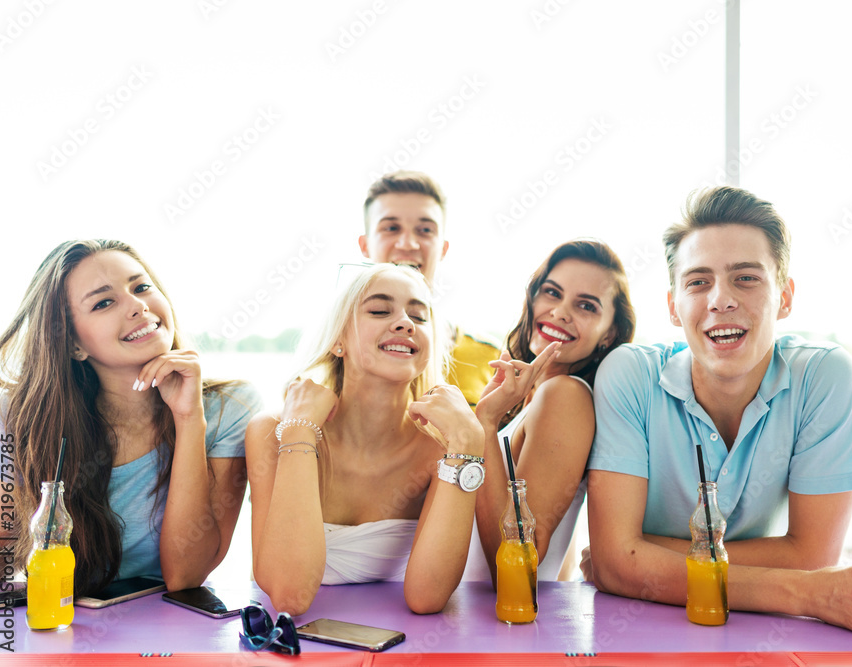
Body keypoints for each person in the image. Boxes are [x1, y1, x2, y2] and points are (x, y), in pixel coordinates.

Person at [585, 186, 852, 639]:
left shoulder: (824, 377)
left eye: (746, 277)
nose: (720, 299)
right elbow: (614, 564)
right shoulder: (629, 375)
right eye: (697, 281)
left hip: (760, 639)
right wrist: (808, 593)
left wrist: (641, 554)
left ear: (785, 296)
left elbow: (812, 558)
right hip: (633, 638)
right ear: (673, 306)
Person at [0, 240, 262, 595]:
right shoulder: (17, 416)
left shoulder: (231, 408)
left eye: (141, 287)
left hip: (170, 632)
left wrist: (190, 419)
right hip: (61, 625)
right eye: (104, 302)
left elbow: (185, 576)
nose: (138, 306)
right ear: (73, 345)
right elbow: (1, 547)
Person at [246, 264, 486, 616]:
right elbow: (289, 596)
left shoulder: (443, 450)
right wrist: (299, 432)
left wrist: (469, 445)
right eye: (379, 310)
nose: (405, 323)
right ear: (338, 340)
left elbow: (427, 598)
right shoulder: (273, 431)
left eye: (419, 317)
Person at [464, 239, 635, 584]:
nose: (559, 312)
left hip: (492, 627)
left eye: (586, 306)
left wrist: (482, 423)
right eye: (552, 293)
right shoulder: (535, 398)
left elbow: (515, 561)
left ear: (609, 334)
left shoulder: (565, 396)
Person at [359, 171, 500, 407]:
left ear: (443, 248)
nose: (408, 243)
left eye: (425, 230)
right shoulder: (331, 356)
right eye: (391, 228)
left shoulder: (491, 359)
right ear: (365, 245)